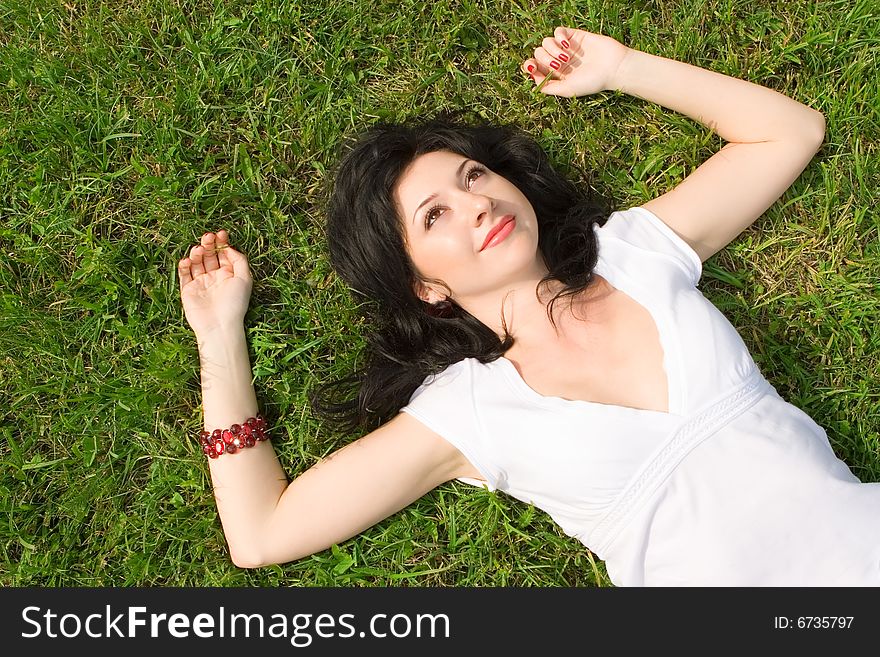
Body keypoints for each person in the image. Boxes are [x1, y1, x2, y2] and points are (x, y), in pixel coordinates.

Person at [177, 27, 879, 585]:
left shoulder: (634, 252)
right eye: (435, 216)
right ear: (425, 286)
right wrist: (218, 336)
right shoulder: (468, 411)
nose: (477, 203)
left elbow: (790, 132)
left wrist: (621, 68)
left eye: (474, 175)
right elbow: (262, 531)